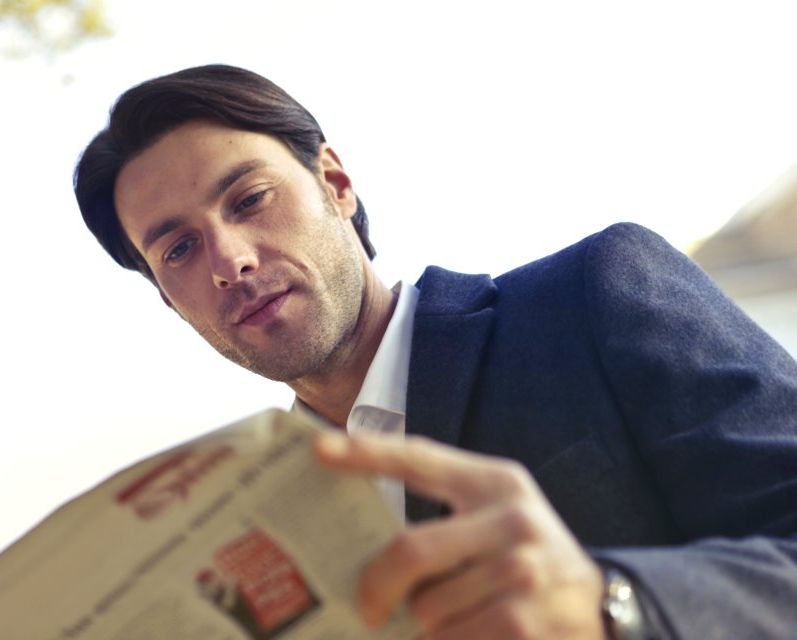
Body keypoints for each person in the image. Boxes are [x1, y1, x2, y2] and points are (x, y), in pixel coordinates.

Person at [73, 64, 797, 639]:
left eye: (249, 199)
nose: (227, 260)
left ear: (335, 183)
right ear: (171, 300)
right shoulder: (249, 528)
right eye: (179, 249)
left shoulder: (591, 295)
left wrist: (614, 609)